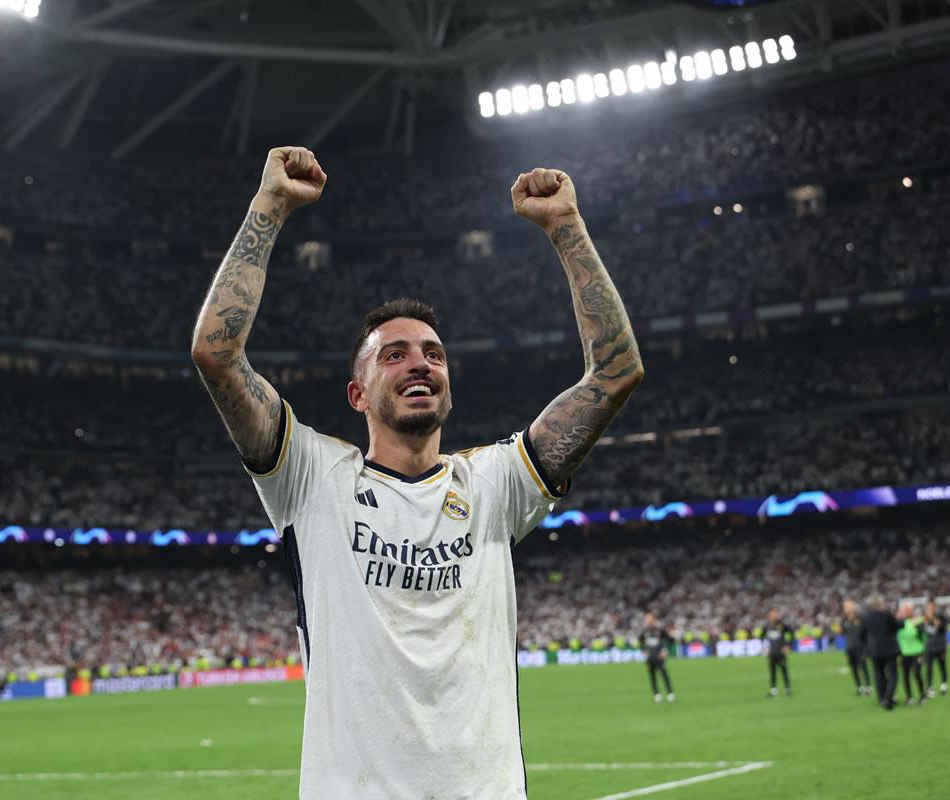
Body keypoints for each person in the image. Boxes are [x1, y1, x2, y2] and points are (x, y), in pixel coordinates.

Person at [191, 148, 643, 798]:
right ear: (357, 393)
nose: (419, 364)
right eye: (394, 355)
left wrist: (566, 226)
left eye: (433, 354)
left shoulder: (496, 484)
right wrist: (270, 206)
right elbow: (216, 352)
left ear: (449, 386)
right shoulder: (309, 476)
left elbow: (615, 374)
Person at [860, 594, 901, 710]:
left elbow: (862, 634)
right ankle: (888, 698)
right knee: (893, 675)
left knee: (879, 674)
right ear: (879, 603)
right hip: (889, 649)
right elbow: (897, 626)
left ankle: (882, 698)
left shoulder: (866, 617)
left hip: (874, 650)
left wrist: (868, 645)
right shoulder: (887, 615)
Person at [640, 613, 675, 703]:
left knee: (664, 674)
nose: (647, 621)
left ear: (654, 619)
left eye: (649, 619)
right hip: (650, 657)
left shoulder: (660, 630)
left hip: (659, 656)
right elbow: (641, 642)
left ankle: (670, 693)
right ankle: (656, 694)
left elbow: (669, 640)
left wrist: (665, 650)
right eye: (646, 619)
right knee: (652, 676)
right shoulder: (645, 631)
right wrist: (644, 651)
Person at [896, 602, 927, 706]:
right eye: (905, 610)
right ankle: (909, 697)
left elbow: (923, 635)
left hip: (917, 651)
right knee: (905, 676)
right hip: (904, 653)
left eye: (908, 609)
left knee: (917, 673)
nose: (906, 612)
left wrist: (919, 627)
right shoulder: (900, 623)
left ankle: (922, 696)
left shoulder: (918, 620)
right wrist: (898, 653)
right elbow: (897, 638)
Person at [841, 600, 871, 696]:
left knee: (863, 667)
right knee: (854, 668)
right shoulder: (845, 621)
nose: (845, 609)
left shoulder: (861, 618)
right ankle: (859, 687)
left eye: (847, 607)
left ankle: (868, 686)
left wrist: (866, 646)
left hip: (860, 647)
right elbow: (843, 633)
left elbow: (866, 632)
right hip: (850, 648)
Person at [762, 609, 794, 697]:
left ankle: (787, 689)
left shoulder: (782, 625)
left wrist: (788, 646)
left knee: (784, 670)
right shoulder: (766, 626)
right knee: (772, 671)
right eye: (772, 615)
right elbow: (762, 636)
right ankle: (773, 690)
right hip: (772, 653)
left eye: (775, 614)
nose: (774, 616)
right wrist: (765, 648)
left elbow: (792, 633)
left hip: (781, 653)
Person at [922, 600, 949, 697]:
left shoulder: (941, 617)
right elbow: (923, 630)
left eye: (931, 607)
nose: (930, 609)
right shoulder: (925, 618)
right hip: (929, 647)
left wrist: (933, 618)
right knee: (929, 667)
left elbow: (940, 626)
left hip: (940, 647)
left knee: (942, 665)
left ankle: (944, 684)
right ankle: (929, 687)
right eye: (928, 607)